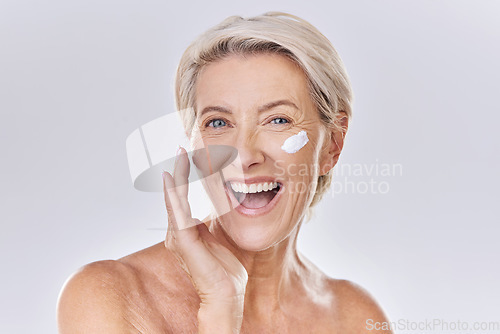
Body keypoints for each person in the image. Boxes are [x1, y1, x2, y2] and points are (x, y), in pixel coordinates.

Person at [57, 12, 392, 333]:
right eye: (218, 123)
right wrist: (220, 307)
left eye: (278, 120)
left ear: (332, 145)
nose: (244, 156)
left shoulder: (356, 319)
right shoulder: (110, 297)